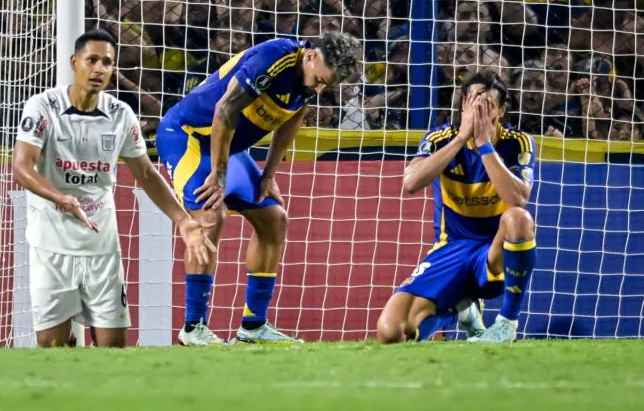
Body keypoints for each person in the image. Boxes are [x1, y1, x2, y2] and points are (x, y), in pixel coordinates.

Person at [156, 31, 362, 345]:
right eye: (319, 80)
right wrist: (219, 174)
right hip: (189, 138)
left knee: (274, 218)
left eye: (326, 85)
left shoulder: (308, 79)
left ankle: (252, 328)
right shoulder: (273, 60)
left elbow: (292, 120)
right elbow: (225, 109)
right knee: (211, 216)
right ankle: (193, 328)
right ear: (310, 56)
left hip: (228, 149)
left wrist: (268, 174)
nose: (320, 89)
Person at [12, 30, 215, 348]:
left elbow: (146, 174)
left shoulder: (120, 114)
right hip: (51, 245)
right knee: (51, 349)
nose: (98, 69)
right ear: (74, 62)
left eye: (107, 63)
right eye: (91, 60)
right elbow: (22, 167)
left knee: (113, 349)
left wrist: (184, 220)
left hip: (101, 247)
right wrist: (61, 198)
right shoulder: (43, 106)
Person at [376, 70, 538, 344]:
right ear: (463, 104)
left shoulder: (517, 142)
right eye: (473, 101)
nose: (478, 109)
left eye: (486, 104)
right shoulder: (441, 138)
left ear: (501, 110)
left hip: (492, 250)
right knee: (391, 332)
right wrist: (462, 138)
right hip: (450, 248)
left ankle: (506, 325)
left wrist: (485, 145)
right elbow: (411, 183)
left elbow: (518, 197)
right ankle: (461, 307)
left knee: (519, 218)